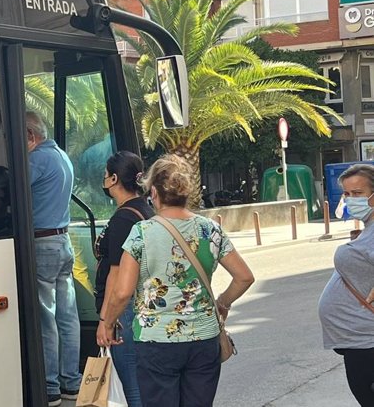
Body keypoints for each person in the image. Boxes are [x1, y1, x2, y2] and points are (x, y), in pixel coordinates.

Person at [99, 154, 254, 407]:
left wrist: (108, 323)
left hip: (156, 342)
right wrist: (222, 301)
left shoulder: (142, 232)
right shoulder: (209, 229)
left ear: (154, 192)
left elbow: (122, 292)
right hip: (204, 340)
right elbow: (244, 277)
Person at [26, 111, 81, 407]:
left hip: (42, 242)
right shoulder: (62, 156)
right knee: (67, 316)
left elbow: (13, 193)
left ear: (31, 136)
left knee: (46, 318)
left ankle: (50, 386)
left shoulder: (35, 160)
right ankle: (71, 381)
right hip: (63, 240)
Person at [94, 151, 154, 407]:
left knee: (130, 382)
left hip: (124, 310)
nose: (104, 179)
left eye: (106, 175)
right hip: (142, 304)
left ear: (114, 179)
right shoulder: (145, 210)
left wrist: (106, 320)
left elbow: (116, 275)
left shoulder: (123, 218)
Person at [318, 164, 374, 406]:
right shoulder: (368, 229)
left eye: (358, 193)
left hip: (367, 341)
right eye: (347, 194)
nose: (351, 200)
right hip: (358, 341)